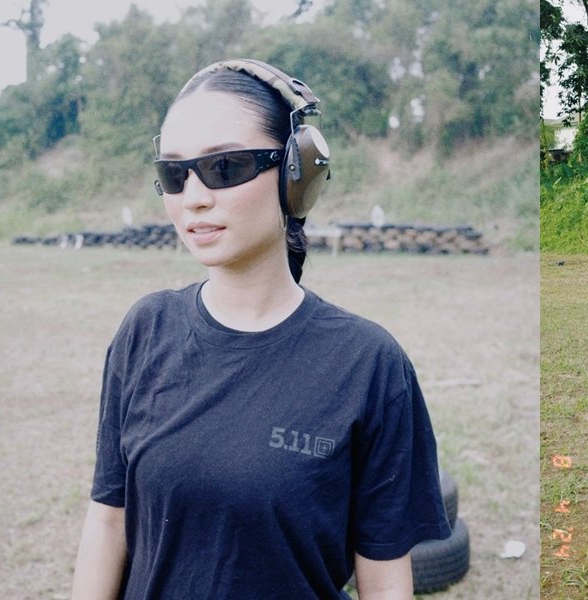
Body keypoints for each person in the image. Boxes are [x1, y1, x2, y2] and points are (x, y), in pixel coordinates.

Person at [70, 59, 449, 599]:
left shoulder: (369, 363)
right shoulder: (144, 330)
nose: (194, 197)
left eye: (225, 167)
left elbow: (385, 578)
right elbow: (108, 520)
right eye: (174, 174)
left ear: (299, 173)